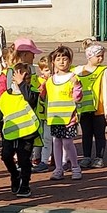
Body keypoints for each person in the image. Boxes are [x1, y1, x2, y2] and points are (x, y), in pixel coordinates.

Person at [0, 62, 41, 198]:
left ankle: (25, 185)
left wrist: (22, 84)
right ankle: (14, 175)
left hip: (27, 133)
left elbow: (30, 99)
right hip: (10, 133)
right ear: (12, 79)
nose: (24, 81)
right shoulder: (6, 95)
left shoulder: (32, 92)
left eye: (27, 78)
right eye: (20, 78)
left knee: (24, 160)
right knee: (6, 156)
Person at [40, 45, 83, 181]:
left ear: (69, 61)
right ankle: (59, 168)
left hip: (68, 117)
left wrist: (76, 86)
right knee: (56, 142)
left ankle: (75, 167)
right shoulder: (50, 80)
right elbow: (42, 96)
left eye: (65, 59)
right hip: (54, 117)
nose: (62, 62)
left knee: (68, 143)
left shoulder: (73, 78)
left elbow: (77, 97)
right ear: (53, 62)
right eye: (58, 59)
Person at [74, 42, 107, 168]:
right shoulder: (78, 71)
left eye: (102, 56)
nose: (101, 58)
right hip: (83, 109)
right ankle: (86, 156)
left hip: (100, 110)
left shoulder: (106, 71)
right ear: (89, 56)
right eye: (98, 56)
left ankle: (99, 157)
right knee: (86, 133)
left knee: (100, 134)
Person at [31, 55, 53, 173]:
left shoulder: (53, 80)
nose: (47, 72)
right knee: (42, 137)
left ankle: (46, 160)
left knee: (49, 138)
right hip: (41, 115)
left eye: (49, 69)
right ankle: (38, 158)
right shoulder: (38, 81)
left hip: (51, 115)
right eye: (45, 70)